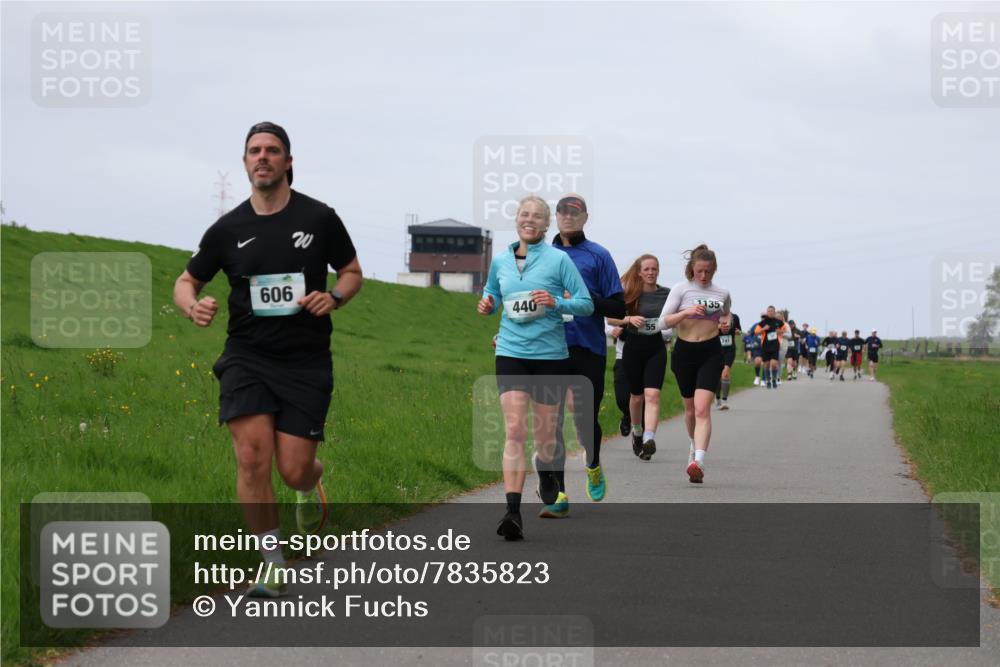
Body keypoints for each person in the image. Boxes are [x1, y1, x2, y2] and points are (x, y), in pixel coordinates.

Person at [173, 122, 363, 597]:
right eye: (255, 151)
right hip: (247, 356)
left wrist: (335, 297)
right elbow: (185, 281)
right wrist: (191, 305)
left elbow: (352, 272)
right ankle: (272, 562)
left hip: (306, 361)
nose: (263, 158)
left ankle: (309, 483)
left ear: (288, 162)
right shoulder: (228, 229)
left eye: (273, 151)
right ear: (244, 163)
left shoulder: (320, 218)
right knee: (252, 456)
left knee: (293, 468)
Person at [478, 195, 593, 538]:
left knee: (545, 439)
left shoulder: (559, 261)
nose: (530, 220)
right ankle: (512, 512)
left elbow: (585, 303)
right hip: (511, 352)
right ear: (517, 220)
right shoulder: (500, 260)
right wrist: (488, 304)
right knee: (514, 430)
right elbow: (492, 293)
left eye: (537, 216)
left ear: (547, 225)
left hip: (550, 359)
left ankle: (546, 473)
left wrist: (555, 301)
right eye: (524, 214)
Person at [547, 194, 624, 516]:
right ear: (556, 216)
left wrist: (585, 297)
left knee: (583, 419)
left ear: (585, 218)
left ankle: (592, 461)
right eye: (563, 212)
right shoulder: (540, 255)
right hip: (548, 347)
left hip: (588, 346)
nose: (568, 217)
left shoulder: (598, 256)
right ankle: (559, 494)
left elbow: (618, 308)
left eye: (574, 213)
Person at [658, 244, 732, 484]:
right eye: (700, 270)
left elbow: (727, 313)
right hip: (685, 352)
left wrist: (725, 323)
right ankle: (693, 445)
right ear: (691, 268)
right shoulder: (681, 290)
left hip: (711, 352)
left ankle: (699, 460)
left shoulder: (722, 293)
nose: (704, 276)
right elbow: (663, 323)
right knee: (689, 409)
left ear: (715, 270)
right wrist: (687, 312)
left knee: (702, 409)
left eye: (709, 271)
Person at [608, 255, 670, 461]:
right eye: (647, 269)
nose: (651, 272)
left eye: (655, 269)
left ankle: (648, 438)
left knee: (653, 395)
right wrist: (628, 319)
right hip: (633, 348)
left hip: (656, 348)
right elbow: (610, 318)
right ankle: (637, 432)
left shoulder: (666, 294)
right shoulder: (629, 294)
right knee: (636, 397)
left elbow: (677, 313)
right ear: (639, 272)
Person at [754, 306, 786, 389]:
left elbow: (784, 329)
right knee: (767, 365)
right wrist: (763, 329)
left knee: (774, 364)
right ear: (767, 312)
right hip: (765, 346)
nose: (770, 312)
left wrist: (780, 331)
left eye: (772, 311)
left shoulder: (778, 322)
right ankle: (768, 381)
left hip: (775, 346)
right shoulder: (763, 322)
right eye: (769, 311)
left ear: (774, 312)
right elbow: (756, 332)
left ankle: (774, 380)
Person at [716, 312, 742, 409]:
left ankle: (724, 401)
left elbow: (739, 330)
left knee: (725, 373)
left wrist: (738, 332)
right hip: (716, 350)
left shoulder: (734, 317)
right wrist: (718, 327)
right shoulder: (714, 317)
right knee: (717, 376)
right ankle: (717, 398)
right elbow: (707, 331)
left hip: (730, 350)